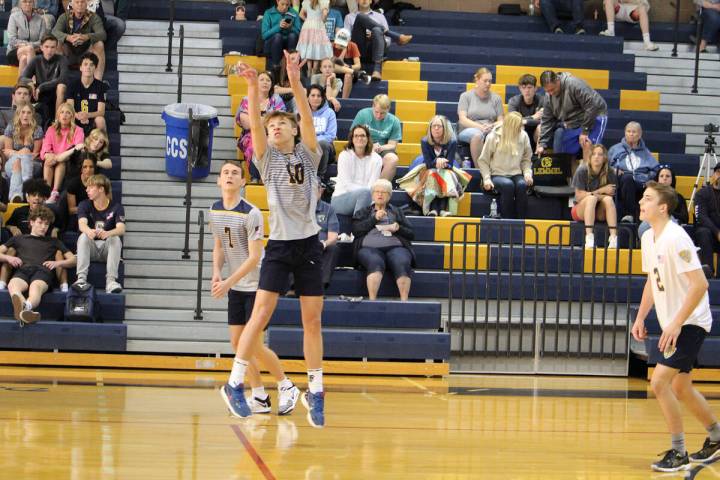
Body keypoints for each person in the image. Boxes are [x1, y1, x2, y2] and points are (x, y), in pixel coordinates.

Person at [222, 54, 326, 428]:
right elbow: (257, 125)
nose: (277, 127)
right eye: (272, 124)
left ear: (294, 129)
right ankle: (235, 384)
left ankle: (315, 391)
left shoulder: (310, 154)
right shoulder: (265, 160)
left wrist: (296, 82)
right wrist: (251, 83)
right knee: (260, 314)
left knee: (311, 322)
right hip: (281, 246)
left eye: (283, 122)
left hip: (310, 244)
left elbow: (305, 114)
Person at [631, 181, 719, 473]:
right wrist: (641, 317)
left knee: (659, 383)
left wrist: (676, 324)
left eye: (647, 199)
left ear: (663, 207)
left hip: (691, 321)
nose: (641, 202)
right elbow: (651, 281)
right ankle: (717, 438)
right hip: (677, 322)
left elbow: (700, 285)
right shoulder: (648, 237)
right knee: (681, 386)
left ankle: (678, 452)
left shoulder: (676, 237)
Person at [210, 159, 301, 416]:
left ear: (242, 182)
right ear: (219, 180)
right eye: (225, 172)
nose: (229, 176)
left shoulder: (251, 213)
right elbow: (219, 247)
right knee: (238, 343)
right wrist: (217, 272)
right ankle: (259, 395)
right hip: (235, 285)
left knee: (253, 345)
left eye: (235, 173)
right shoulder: (214, 209)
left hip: (258, 285)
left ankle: (287, 385)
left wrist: (228, 282)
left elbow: (253, 257)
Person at [0, 206, 75, 324]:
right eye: (40, 222)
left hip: (43, 272)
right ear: (31, 222)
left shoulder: (54, 241)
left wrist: (58, 263)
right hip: (22, 270)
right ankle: (25, 312)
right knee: (13, 285)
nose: (43, 227)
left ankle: (26, 307)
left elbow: (73, 260)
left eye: (46, 224)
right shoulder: (19, 239)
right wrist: (8, 257)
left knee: (35, 288)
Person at [352, 178, 414, 301]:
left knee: (402, 261)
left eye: (384, 192)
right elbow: (356, 231)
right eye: (377, 191)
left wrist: (398, 228)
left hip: (396, 247)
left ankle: (404, 301)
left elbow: (411, 234)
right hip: (369, 248)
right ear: (372, 195)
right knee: (375, 261)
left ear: (389, 196)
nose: (380, 194)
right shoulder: (363, 212)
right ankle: (372, 300)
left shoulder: (397, 212)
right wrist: (374, 218)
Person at [536, 71, 608, 161]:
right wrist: (542, 144)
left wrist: (585, 131)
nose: (551, 93)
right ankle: (569, 174)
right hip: (574, 121)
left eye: (553, 89)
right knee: (565, 150)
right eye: (547, 91)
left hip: (595, 114)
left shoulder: (574, 84)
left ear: (558, 80)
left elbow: (591, 106)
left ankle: (589, 174)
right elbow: (547, 120)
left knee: (588, 145)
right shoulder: (548, 97)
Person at [73, 174, 124, 294]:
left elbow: (121, 229)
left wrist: (108, 233)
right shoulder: (84, 204)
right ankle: (81, 279)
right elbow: (82, 224)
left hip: (107, 249)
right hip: (90, 249)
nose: (87, 190)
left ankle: (111, 282)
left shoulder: (116, 207)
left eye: (90, 187)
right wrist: (89, 231)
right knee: (83, 236)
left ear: (101, 189)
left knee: (115, 238)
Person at [477, 112, 533, 219]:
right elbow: (483, 161)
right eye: (518, 127)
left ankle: (522, 221)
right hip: (496, 174)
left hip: (515, 173)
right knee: (508, 186)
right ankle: (508, 220)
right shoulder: (493, 136)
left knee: (522, 185)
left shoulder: (523, 135)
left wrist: (527, 173)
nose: (520, 129)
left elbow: (526, 159)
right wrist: (487, 179)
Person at [235, 70, 286, 183]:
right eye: (262, 79)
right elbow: (246, 123)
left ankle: (267, 178)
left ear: (272, 84)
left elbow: (279, 121)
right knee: (254, 144)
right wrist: (267, 120)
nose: (265, 82)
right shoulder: (247, 99)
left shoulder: (276, 100)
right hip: (250, 134)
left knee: (271, 143)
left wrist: (256, 120)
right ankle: (255, 177)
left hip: (273, 134)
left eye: (268, 80)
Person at [343, 0, 411, 80]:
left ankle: (376, 71)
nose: (364, 0)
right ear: (357, 1)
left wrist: (374, 36)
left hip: (375, 50)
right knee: (360, 17)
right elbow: (346, 40)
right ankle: (396, 36)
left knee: (377, 30)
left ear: (371, 1)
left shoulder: (380, 16)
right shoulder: (349, 17)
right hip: (359, 51)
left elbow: (388, 41)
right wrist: (364, 36)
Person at [413, 115, 466, 216]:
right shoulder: (424, 141)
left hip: (446, 169)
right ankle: (433, 208)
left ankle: (442, 209)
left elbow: (449, 164)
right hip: (428, 168)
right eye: (434, 126)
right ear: (430, 128)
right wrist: (438, 160)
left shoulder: (452, 142)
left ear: (444, 128)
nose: (436, 128)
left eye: (439, 126)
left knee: (445, 174)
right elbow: (428, 164)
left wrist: (441, 163)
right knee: (432, 174)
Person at [608, 121, 659, 223]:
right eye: (628, 131)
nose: (631, 134)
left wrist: (647, 178)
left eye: (634, 132)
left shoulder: (645, 152)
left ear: (640, 135)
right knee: (628, 178)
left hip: (641, 182)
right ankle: (629, 214)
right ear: (625, 133)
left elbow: (655, 169)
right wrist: (612, 170)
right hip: (622, 180)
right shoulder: (615, 149)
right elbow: (605, 166)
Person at [570, 144, 618, 248]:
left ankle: (614, 237)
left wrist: (599, 195)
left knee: (609, 200)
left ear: (604, 157)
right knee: (591, 199)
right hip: (579, 209)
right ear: (590, 157)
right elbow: (579, 196)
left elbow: (610, 195)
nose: (596, 157)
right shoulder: (582, 170)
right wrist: (602, 191)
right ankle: (589, 237)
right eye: (594, 154)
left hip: (598, 210)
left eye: (600, 154)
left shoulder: (609, 172)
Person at [331, 124, 382, 215]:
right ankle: (358, 226)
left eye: (362, 135)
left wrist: (366, 194)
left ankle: (360, 222)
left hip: (367, 198)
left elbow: (372, 185)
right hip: (341, 198)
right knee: (365, 193)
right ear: (352, 139)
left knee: (371, 194)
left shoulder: (377, 159)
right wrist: (365, 192)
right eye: (356, 136)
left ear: (367, 138)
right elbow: (347, 185)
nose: (359, 138)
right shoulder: (344, 155)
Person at [457, 67, 504, 166]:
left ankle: (498, 168)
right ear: (477, 80)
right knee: (477, 135)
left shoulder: (497, 98)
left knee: (497, 135)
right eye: (485, 81)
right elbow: (463, 119)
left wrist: (491, 126)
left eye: (490, 81)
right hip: (469, 128)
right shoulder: (465, 96)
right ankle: (481, 170)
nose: (488, 84)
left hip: (490, 128)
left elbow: (501, 120)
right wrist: (480, 127)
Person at [40, 102, 85, 203]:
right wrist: (48, 155)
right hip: (53, 158)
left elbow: (78, 148)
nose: (64, 115)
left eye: (68, 113)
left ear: (72, 116)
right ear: (58, 115)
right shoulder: (51, 129)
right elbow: (45, 148)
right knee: (48, 161)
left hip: (69, 160)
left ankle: (55, 192)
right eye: (62, 112)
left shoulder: (78, 130)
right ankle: (46, 192)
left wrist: (60, 156)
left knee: (61, 162)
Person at [350, 94, 401, 181]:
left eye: (382, 113)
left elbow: (392, 145)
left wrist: (379, 147)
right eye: (376, 112)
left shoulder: (394, 121)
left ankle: (379, 188)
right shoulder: (363, 114)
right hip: (362, 145)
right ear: (373, 106)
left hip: (382, 149)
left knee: (393, 159)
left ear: (388, 109)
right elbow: (353, 136)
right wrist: (368, 146)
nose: (378, 116)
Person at [21, 35, 68, 128]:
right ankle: (20, 119)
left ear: (56, 48)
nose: (49, 50)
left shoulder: (62, 60)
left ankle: (57, 123)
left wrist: (42, 87)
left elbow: (63, 79)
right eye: (46, 47)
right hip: (38, 94)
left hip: (55, 94)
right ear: (41, 47)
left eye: (52, 47)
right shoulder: (36, 60)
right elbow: (22, 77)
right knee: (23, 87)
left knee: (61, 86)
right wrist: (30, 82)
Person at [52, 0, 107, 80]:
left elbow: (102, 34)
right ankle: (57, 80)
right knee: (56, 43)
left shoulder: (94, 17)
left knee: (99, 44)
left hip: (86, 53)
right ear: (72, 4)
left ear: (86, 4)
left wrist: (86, 37)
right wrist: (68, 37)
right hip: (69, 53)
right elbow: (54, 32)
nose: (80, 5)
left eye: (82, 2)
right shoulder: (64, 16)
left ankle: (97, 83)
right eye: (77, 2)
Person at [3, 104, 44, 203]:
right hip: (11, 164)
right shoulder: (11, 127)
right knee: (18, 161)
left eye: (29, 113)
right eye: (23, 112)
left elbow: (35, 154)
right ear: (18, 114)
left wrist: (23, 154)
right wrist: (22, 153)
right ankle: (27, 191)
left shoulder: (37, 129)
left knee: (20, 160)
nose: (25, 115)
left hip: (33, 163)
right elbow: (7, 151)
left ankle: (16, 195)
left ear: (32, 115)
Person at [637, 165, 689, 240]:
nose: (664, 178)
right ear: (657, 179)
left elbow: (685, 218)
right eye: (661, 176)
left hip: (671, 223)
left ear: (672, 179)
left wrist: (665, 212)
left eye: (667, 176)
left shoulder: (679, 197)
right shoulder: (650, 195)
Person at [65, 51, 108, 135]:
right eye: (85, 64)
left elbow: (101, 112)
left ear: (95, 68)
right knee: (66, 117)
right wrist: (78, 116)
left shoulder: (101, 86)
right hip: (76, 117)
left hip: (92, 118)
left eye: (91, 65)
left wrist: (87, 115)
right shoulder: (72, 85)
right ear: (80, 67)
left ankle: (103, 146)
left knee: (100, 120)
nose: (88, 67)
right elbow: (69, 107)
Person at [7, 0, 50, 75]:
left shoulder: (41, 20)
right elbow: (12, 40)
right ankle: (33, 80)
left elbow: (42, 41)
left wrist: (27, 45)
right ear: (20, 3)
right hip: (15, 51)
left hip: (35, 52)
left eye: (30, 2)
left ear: (34, 3)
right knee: (29, 49)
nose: (27, 4)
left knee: (24, 58)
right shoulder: (13, 17)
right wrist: (30, 45)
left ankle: (22, 83)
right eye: (24, 1)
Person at [693, 163, 720, 279]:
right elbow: (701, 217)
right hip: (708, 233)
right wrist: (717, 232)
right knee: (704, 232)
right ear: (713, 174)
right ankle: (707, 272)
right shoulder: (702, 193)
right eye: (718, 172)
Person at [507, 73, 545, 151]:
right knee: (519, 127)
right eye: (523, 88)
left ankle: (538, 158)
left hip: (536, 133)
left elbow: (544, 121)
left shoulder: (543, 100)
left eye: (529, 87)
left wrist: (524, 121)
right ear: (520, 89)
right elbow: (512, 122)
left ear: (535, 88)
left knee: (541, 127)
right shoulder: (513, 101)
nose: (527, 90)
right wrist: (533, 117)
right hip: (520, 131)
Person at [307, 84, 337, 180]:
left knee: (322, 143)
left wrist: (313, 141)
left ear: (322, 98)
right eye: (313, 95)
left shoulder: (329, 112)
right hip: (307, 147)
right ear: (307, 97)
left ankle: (319, 178)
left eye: (319, 96)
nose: (316, 98)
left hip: (326, 149)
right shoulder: (302, 112)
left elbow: (331, 135)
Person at [261, 0, 301, 69]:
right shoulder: (268, 13)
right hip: (273, 42)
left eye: (287, 5)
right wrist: (278, 27)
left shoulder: (294, 13)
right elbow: (264, 35)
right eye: (282, 4)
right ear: (277, 2)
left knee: (293, 36)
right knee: (278, 36)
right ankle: (276, 66)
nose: (285, 7)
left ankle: (291, 65)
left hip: (289, 41)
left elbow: (298, 32)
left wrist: (290, 27)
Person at [296, 0, 333, 74]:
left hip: (307, 27)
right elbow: (325, 14)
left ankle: (309, 70)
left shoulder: (306, 1)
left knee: (309, 46)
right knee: (316, 47)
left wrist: (308, 20)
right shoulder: (323, 2)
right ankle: (314, 70)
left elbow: (300, 14)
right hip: (318, 26)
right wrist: (323, 21)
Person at [331, 28, 368, 99]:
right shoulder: (332, 46)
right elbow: (331, 65)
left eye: (343, 42)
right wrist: (343, 51)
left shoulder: (353, 46)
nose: (340, 44)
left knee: (348, 75)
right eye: (339, 41)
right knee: (331, 71)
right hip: (336, 71)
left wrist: (349, 66)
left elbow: (358, 65)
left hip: (349, 72)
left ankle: (344, 100)